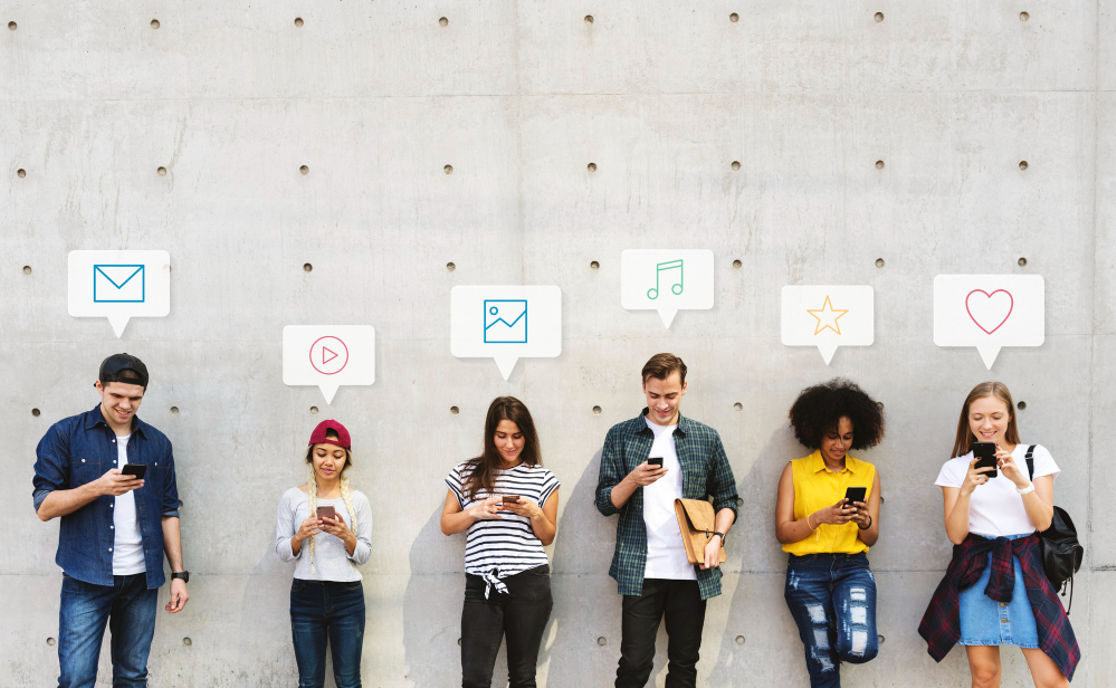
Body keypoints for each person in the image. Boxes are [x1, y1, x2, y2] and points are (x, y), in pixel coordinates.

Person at [32, 353, 189, 688]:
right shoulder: (66, 434)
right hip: (86, 576)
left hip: (141, 581)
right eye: (116, 396)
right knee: (76, 679)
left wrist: (178, 574)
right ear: (99, 387)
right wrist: (97, 487)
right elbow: (44, 506)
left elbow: (168, 510)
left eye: (134, 398)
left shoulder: (158, 443)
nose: (125, 405)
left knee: (133, 677)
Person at [919, 381, 1080, 687]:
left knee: (1052, 680)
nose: (987, 425)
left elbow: (1043, 522)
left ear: (1009, 417)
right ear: (967, 420)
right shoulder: (955, 468)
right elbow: (956, 535)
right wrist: (965, 490)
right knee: (985, 676)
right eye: (977, 417)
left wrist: (1021, 481)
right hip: (976, 570)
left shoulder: (1035, 456)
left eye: (995, 416)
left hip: (1027, 567)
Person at [595, 353, 738, 688]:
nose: (661, 404)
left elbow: (728, 499)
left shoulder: (705, 437)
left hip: (692, 568)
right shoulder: (621, 435)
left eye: (670, 395)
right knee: (634, 666)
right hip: (640, 569)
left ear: (684, 388)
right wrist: (633, 480)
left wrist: (716, 539)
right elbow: (604, 503)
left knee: (684, 666)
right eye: (654, 395)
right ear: (644, 389)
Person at [440, 396, 559, 688]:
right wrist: (475, 511)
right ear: (490, 435)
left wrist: (533, 512)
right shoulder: (467, 473)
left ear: (527, 436)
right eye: (502, 436)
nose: (509, 444)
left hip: (529, 584)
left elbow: (548, 536)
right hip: (482, 585)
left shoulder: (543, 478)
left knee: (522, 677)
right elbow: (446, 524)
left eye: (517, 437)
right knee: (475, 678)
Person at [774, 379, 884, 687]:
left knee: (859, 647)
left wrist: (863, 522)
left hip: (853, 569)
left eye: (847, 437)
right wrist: (820, 517)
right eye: (832, 436)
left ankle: (832, 626)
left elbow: (872, 537)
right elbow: (783, 532)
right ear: (815, 432)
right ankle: (823, 633)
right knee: (822, 664)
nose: (840, 444)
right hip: (806, 572)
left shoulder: (868, 473)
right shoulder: (795, 470)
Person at [275, 419, 372, 688]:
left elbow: (364, 554)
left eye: (337, 455)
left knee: (349, 681)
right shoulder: (292, 498)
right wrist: (299, 537)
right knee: (309, 682)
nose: (328, 462)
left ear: (346, 460)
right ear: (311, 456)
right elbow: (282, 551)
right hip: (306, 595)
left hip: (348, 596)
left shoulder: (358, 500)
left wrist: (346, 535)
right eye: (321, 454)